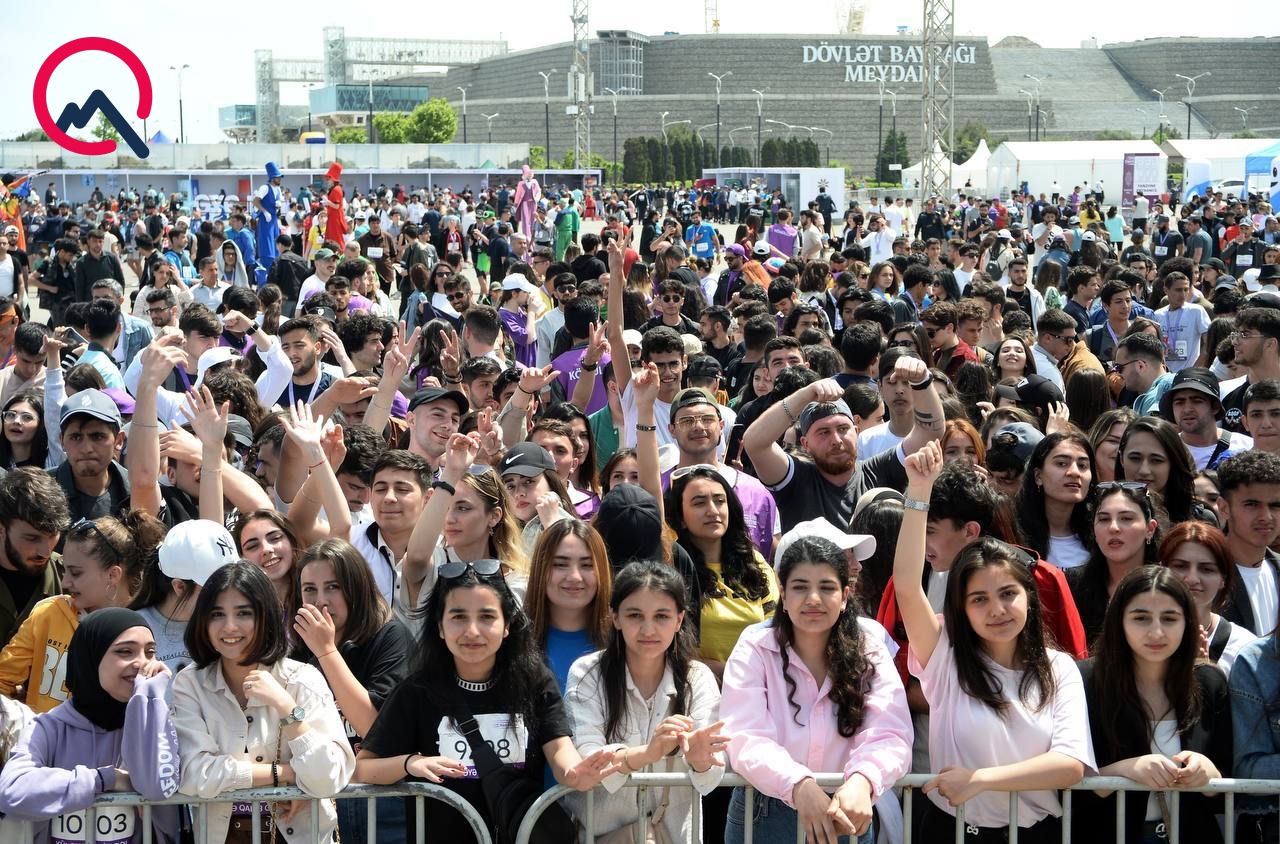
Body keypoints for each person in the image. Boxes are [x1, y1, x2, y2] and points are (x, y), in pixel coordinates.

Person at [893, 441, 1093, 843]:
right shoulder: (945, 656)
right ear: (961, 609)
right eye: (979, 599)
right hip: (951, 832)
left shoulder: (1059, 667)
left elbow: (1069, 764)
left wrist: (981, 780)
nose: (997, 610)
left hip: (1037, 834)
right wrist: (919, 490)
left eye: (1007, 594)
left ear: (1028, 598)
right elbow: (907, 587)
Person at [351, 556, 612, 842]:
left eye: (487, 617)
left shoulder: (535, 682)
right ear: (440, 627)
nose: (472, 631)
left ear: (507, 625)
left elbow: (560, 748)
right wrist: (410, 763)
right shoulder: (416, 692)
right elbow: (362, 769)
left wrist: (574, 773)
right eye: (458, 617)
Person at [721, 536, 911, 844]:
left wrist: (863, 779)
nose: (813, 599)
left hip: (846, 809)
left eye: (826, 587)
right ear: (783, 594)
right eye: (799, 587)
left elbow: (891, 732)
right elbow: (745, 735)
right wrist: (798, 785)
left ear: (845, 595)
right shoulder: (755, 649)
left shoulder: (869, 649)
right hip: (766, 811)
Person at [170, 561, 355, 843]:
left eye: (243, 613)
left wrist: (287, 709)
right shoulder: (190, 683)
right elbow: (193, 773)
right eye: (217, 614)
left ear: (265, 617)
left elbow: (328, 777)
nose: (229, 627)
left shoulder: (302, 679)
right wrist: (285, 774)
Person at [564, 560, 726, 842]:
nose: (648, 630)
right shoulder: (587, 673)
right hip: (601, 836)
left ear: (679, 620)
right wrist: (647, 753)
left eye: (662, 616)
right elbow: (589, 759)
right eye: (635, 615)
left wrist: (700, 759)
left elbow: (711, 777)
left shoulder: (697, 677)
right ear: (616, 618)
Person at [1074, 567, 1233, 844]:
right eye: (1141, 618)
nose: (1156, 632)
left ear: (1187, 623)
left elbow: (1229, 787)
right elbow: (1067, 786)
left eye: (1170, 618)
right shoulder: (1084, 680)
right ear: (1119, 621)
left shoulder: (1210, 682)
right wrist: (1125, 770)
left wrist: (1209, 774)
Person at [0, 607, 180, 844]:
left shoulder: (152, 722)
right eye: (125, 651)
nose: (142, 663)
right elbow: (12, 791)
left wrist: (150, 700)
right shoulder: (48, 727)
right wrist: (106, 779)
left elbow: (157, 787)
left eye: (150, 652)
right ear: (90, 657)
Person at [293, 539, 412, 844]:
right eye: (310, 589)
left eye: (333, 587)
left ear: (356, 587)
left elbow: (374, 730)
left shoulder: (390, 636)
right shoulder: (300, 649)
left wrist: (326, 652)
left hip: (384, 802)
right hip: (324, 800)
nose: (321, 601)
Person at [0, 511, 165, 713]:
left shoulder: (148, 627)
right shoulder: (49, 613)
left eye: (76, 573)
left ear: (113, 574)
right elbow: (3, 680)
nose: (65, 582)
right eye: (65, 570)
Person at [665, 465, 780, 682]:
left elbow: (775, 630)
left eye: (719, 501)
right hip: (698, 689)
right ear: (680, 518)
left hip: (758, 686)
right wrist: (730, 672)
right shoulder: (673, 567)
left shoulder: (754, 562)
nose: (713, 510)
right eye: (699, 503)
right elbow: (671, 648)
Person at [1065, 482, 1162, 647]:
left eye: (1126, 518)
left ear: (1150, 529)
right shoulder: (1072, 585)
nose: (1113, 528)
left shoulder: (1167, 585)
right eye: (1104, 519)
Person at [523, 519, 612, 693]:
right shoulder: (514, 642)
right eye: (560, 565)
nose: (574, 577)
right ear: (540, 569)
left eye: (587, 565)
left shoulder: (622, 641)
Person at [1159, 521, 1256, 676]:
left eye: (1206, 569)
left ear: (1223, 579)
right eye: (1180, 566)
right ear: (1161, 570)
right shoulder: (1141, 639)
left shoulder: (1244, 649)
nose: (1192, 579)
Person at [0, 468, 69, 648]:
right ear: (2, 529)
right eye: (32, 538)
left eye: (53, 536)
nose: (46, 552)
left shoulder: (69, 576)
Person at [1014, 432, 1097, 570]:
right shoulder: (1012, 533)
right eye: (1062, 463)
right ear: (1038, 476)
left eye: (1082, 465)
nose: (1074, 472)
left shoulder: (1099, 534)